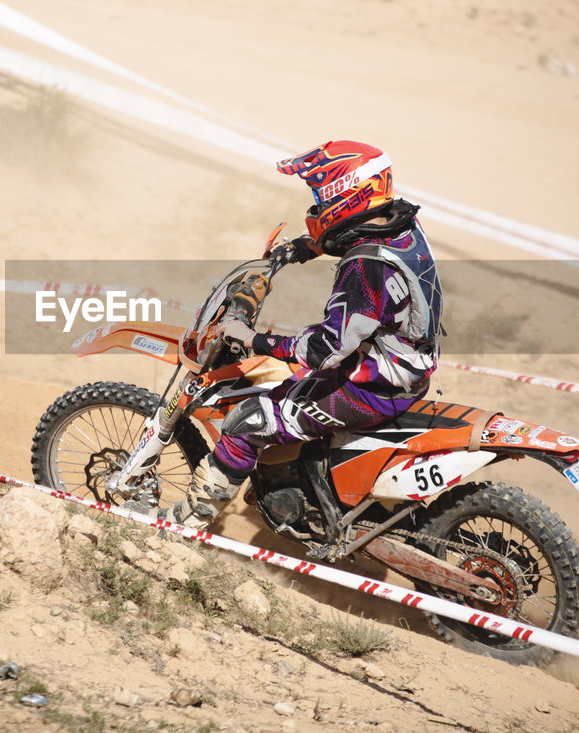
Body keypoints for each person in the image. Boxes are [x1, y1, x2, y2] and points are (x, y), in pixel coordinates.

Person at [156, 140, 445, 530]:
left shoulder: (364, 266)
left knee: (248, 420)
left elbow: (326, 349)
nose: (315, 204)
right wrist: (308, 247)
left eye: (319, 195)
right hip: (406, 365)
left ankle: (182, 525)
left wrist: (256, 340)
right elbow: (354, 234)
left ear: (344, 196)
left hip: (372, 384)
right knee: (288, 387)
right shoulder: (403, 225)